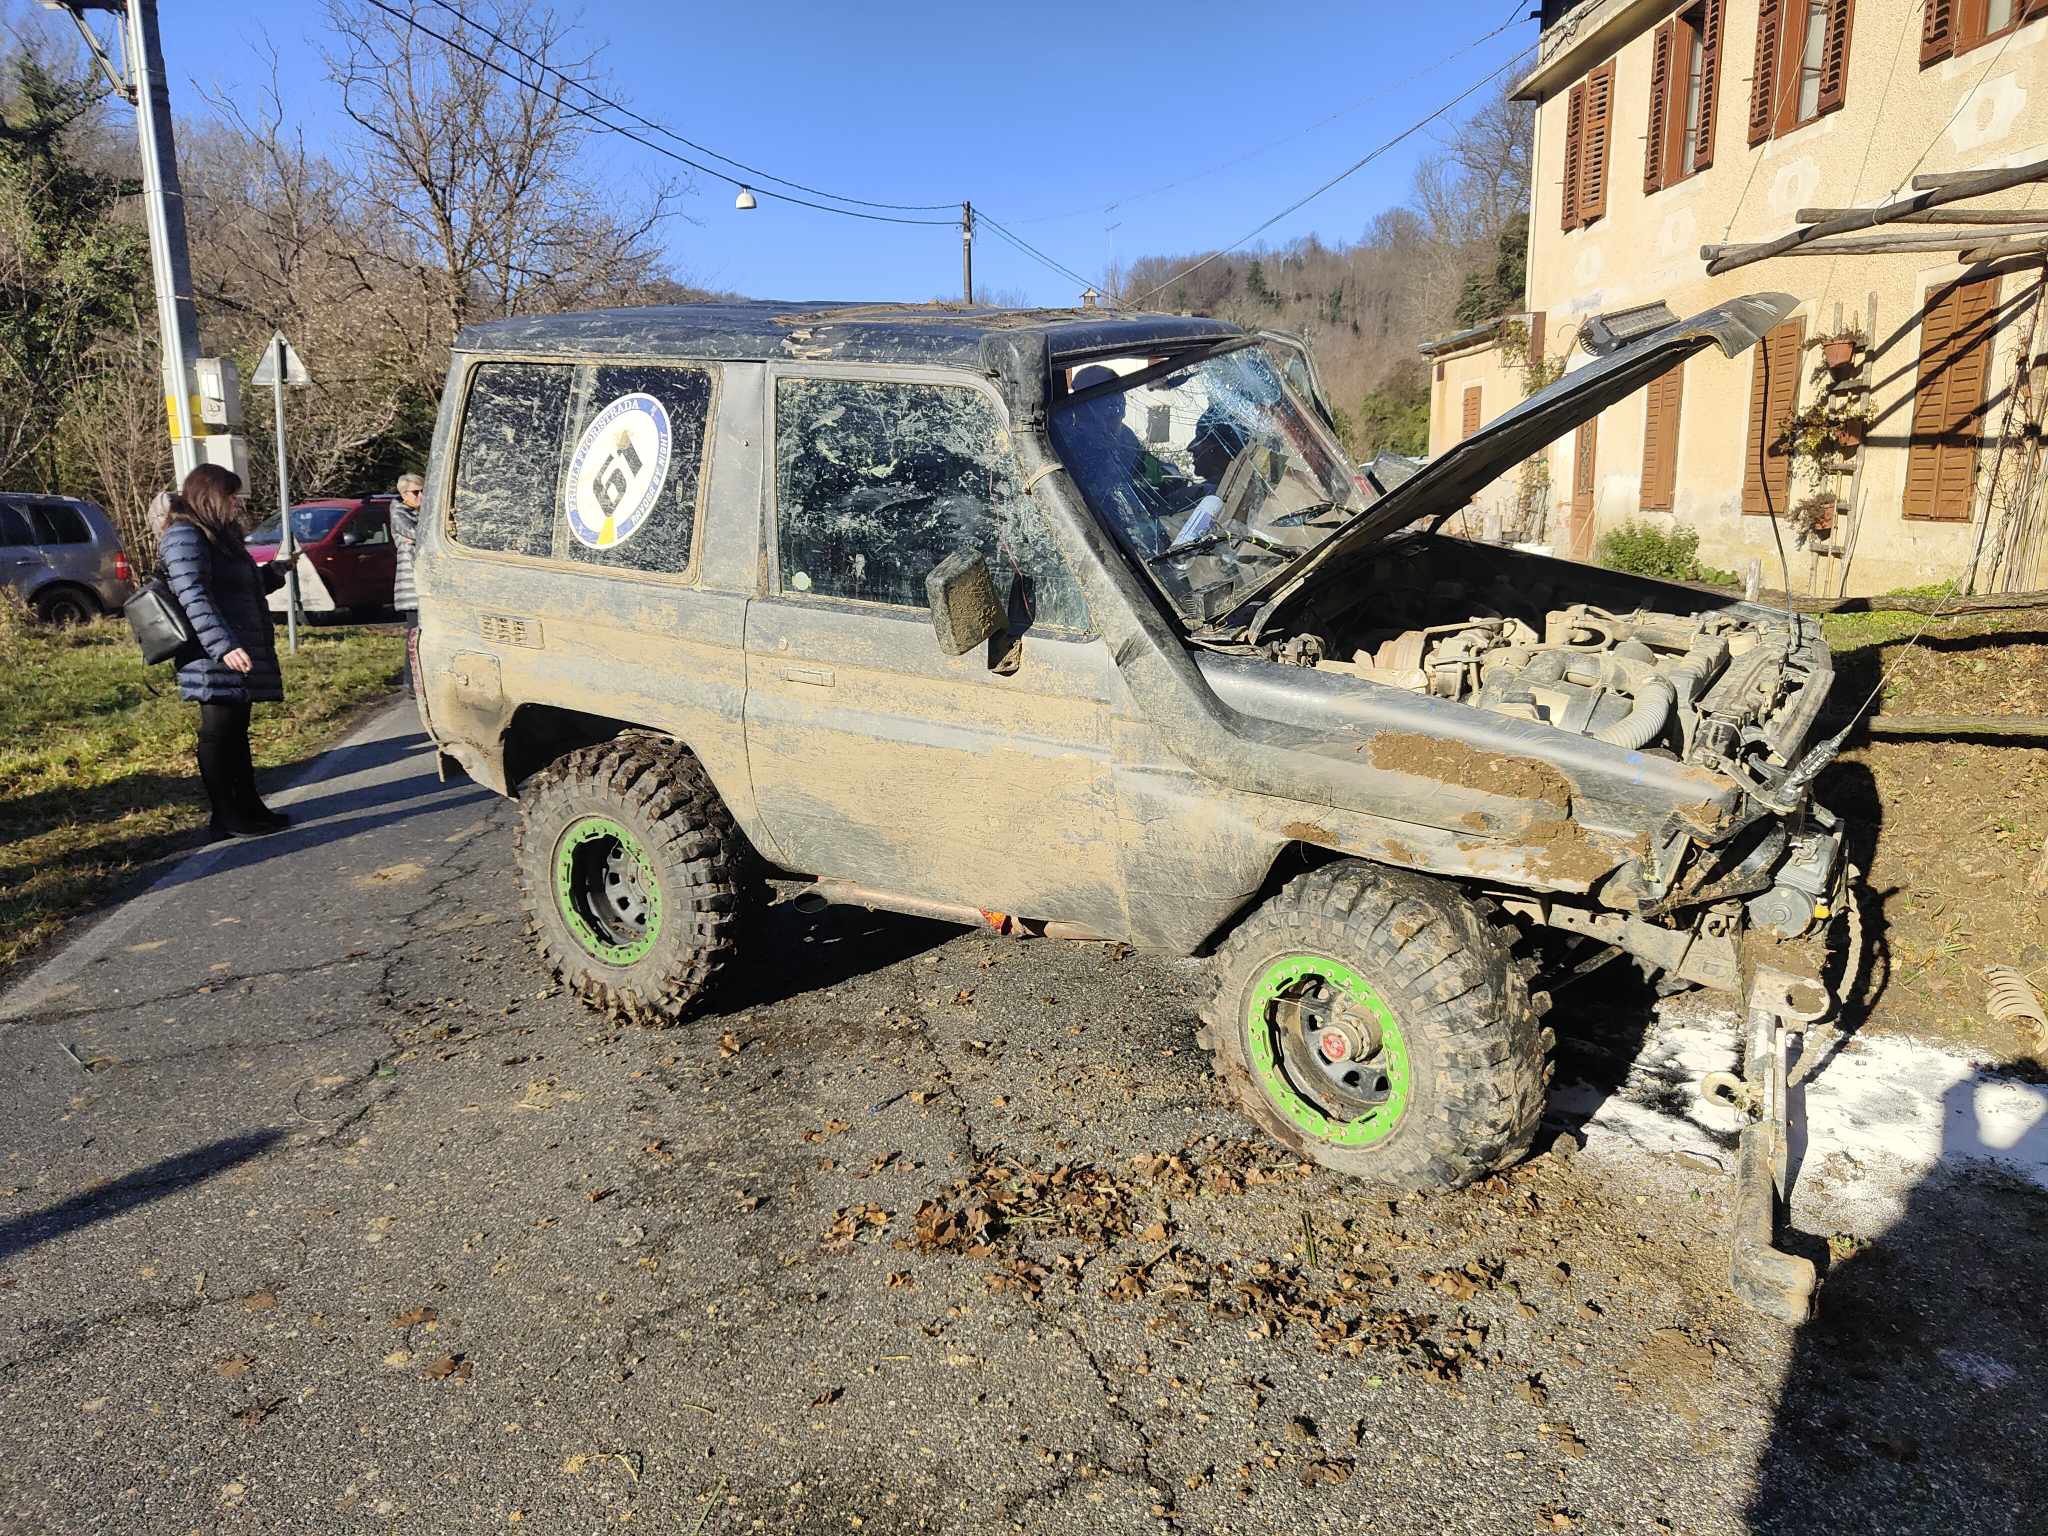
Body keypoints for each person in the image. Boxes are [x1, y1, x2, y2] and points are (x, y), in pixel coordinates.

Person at [160, 464, 289, 839]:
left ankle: (249, 807)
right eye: (230, 496)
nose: (236, 504)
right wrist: (224, 646)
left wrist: (275, 572)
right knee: (218, 733)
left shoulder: (220, 536)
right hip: (210, 653)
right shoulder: (185, 535)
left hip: (235, 648)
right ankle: (226, 816)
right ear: (210, 496)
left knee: (237, 731)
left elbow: (236, 588)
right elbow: (193, 596)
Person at [390, 471, 423, 699]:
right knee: (414, 635)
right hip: (410, 587)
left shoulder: (418, 513)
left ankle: (418, 680)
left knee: (422, 634)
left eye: (423, 491)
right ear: (404, 494)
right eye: (416, 492)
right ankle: (411, 683)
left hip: (422, 584)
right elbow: (415, 533)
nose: (421, 496)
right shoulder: (399, 513)